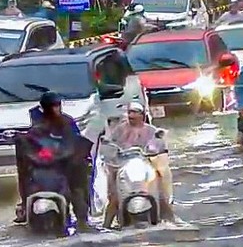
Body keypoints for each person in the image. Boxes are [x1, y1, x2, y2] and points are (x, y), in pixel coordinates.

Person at [15, 92, 90, 228]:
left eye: (57, 105)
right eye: (52, 106)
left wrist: (74, 153)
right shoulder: (37, 123)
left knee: (78, 187)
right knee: (26, 175)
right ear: (45, 107)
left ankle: (82, 219)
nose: (56, 109)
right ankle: (25, 207)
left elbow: (75, 141)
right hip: (45, 165)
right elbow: (31, 141)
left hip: (66, 163)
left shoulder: (67, 122)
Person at [103, 101, 174, 228]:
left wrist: (156, 149)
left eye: (134, 112)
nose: (131, 115)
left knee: (161, 187)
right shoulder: (120, 129)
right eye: (129, 112)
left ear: (142, 115)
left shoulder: (151, 130)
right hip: (123, 163)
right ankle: (106, 224)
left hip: (145, 162)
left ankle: (170, 216)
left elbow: (159, 145)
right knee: (114, 195)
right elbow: (110, 145)